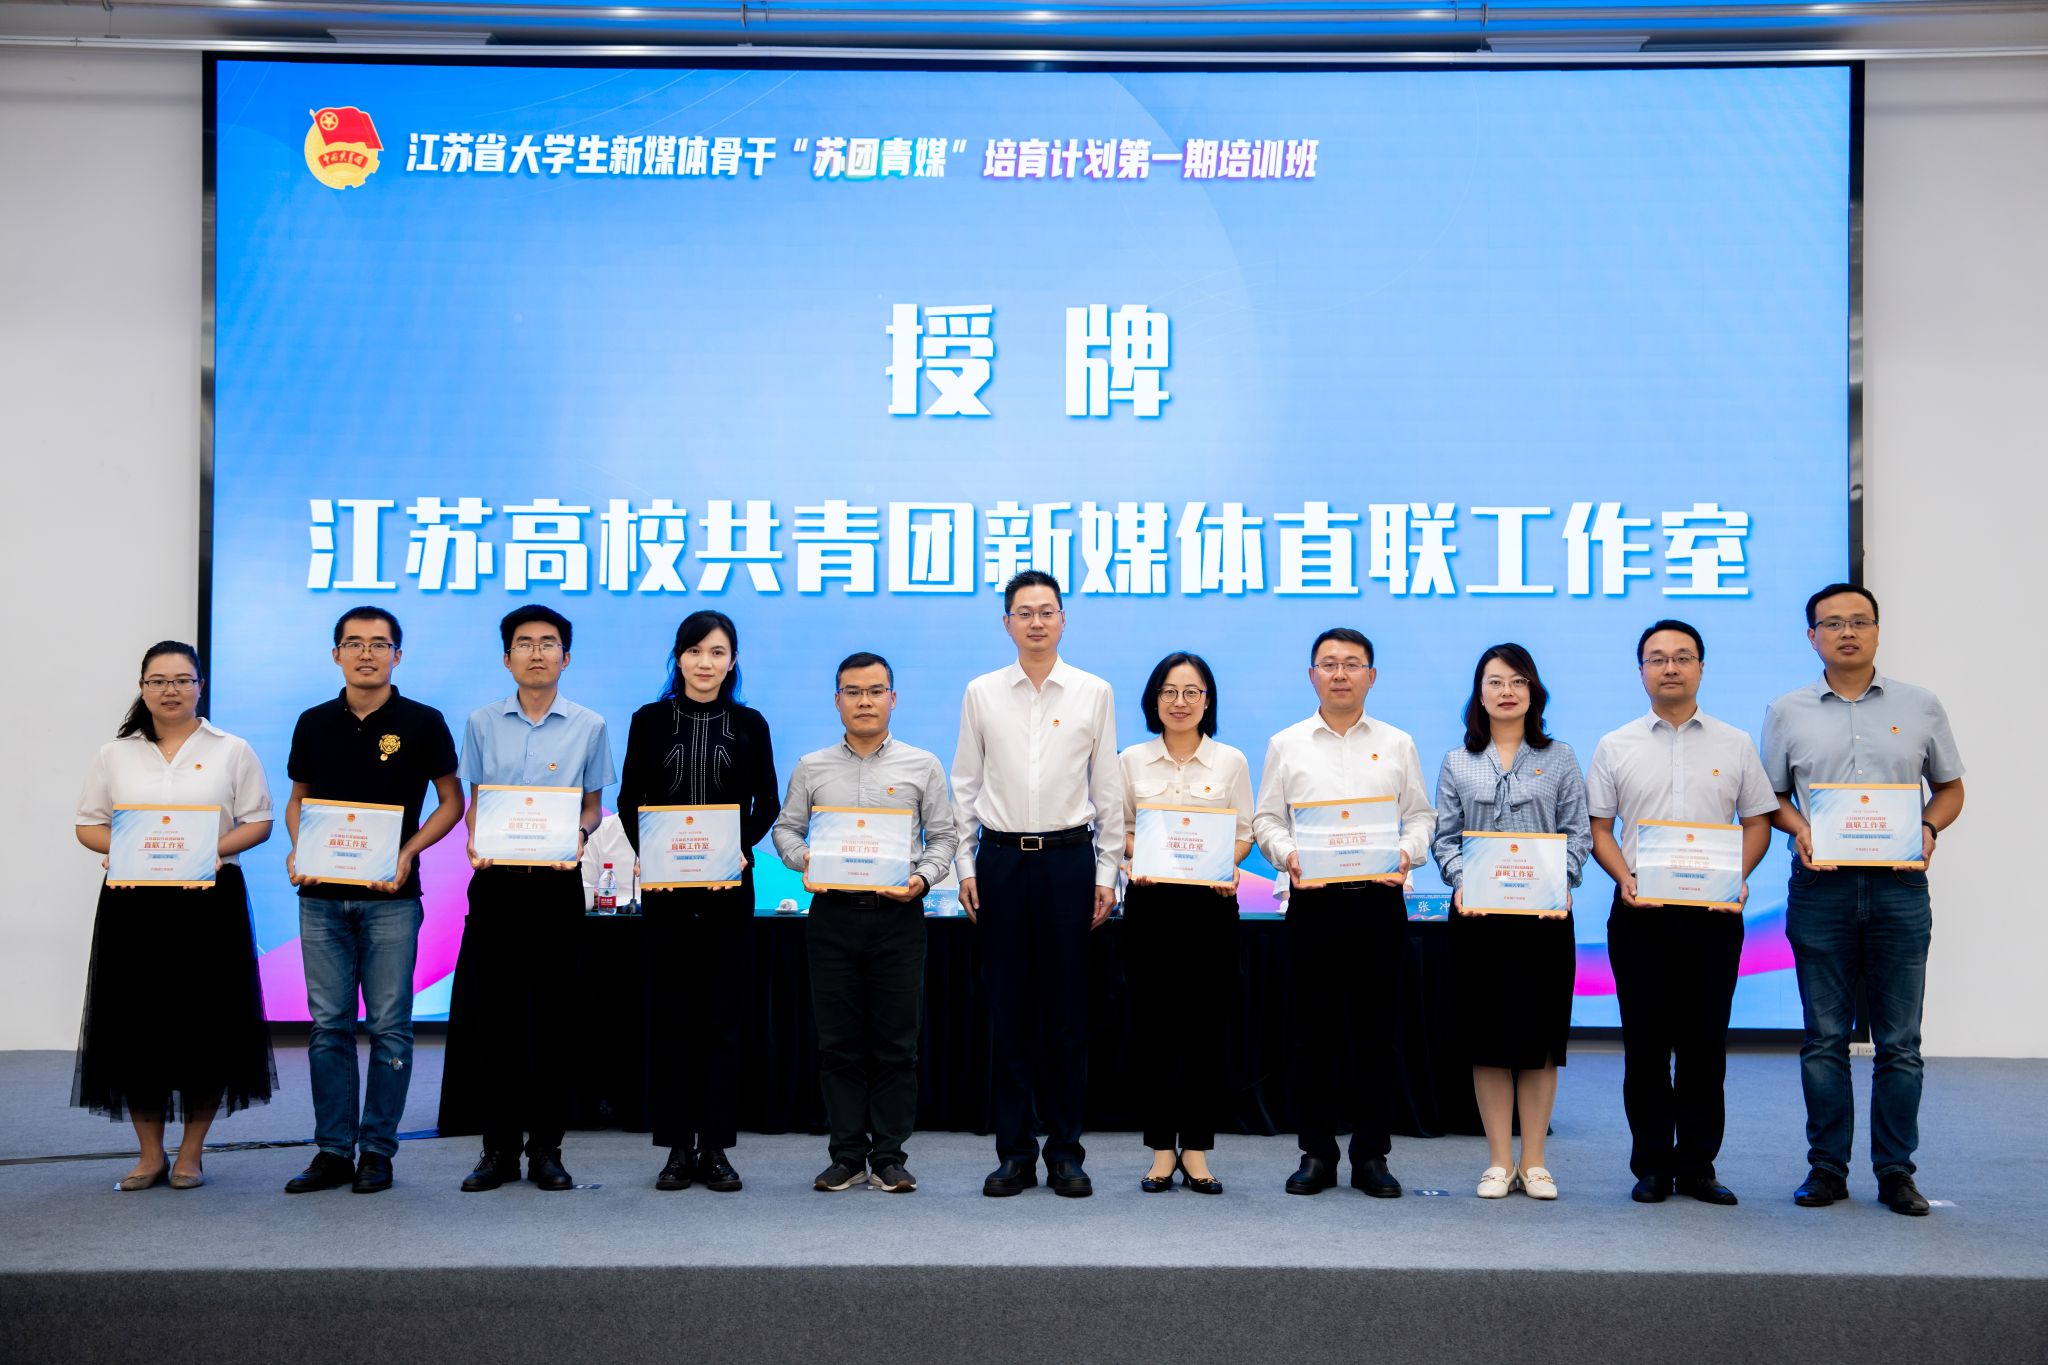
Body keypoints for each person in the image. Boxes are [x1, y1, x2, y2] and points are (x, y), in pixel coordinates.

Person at [1763, 583, 1964, 1216]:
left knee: (1899, 1041)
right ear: (1812, 636)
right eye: (1832, 623)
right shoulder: (1786, 711)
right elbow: (1770, 797)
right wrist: (1800, 830)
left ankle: (1896, 1172)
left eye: (1859, 621)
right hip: (1820, 888)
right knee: (1824, 1038)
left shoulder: (1920, 705)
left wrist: (1927, 828)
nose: (1846, 632)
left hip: (1898, 888)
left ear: (1877, 630)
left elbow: (1951, 789)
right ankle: (1826, 1168)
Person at [72, 640, 277, 1191]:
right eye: (158, 681)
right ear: (142, 688)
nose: (171, 690)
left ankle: (190, 1154)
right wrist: (121, 849)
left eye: (182, 680)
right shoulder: (115, 754)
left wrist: (210, 850)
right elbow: (88, 824)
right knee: (135, 1027)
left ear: (200, 686)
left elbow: (259, 822)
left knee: (206, 1027)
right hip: (134, 905)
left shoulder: (232, 749)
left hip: (209, 903)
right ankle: (149, 1155)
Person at [1587, 620, 1777, 1206]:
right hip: (1640, 914)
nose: (1670, 667)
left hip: (1713, 916)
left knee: (1704, 1045)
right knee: (1644, 1044)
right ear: (1641, 671)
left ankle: (1698, 1166)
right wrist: (1624, 878)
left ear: (1700, 667)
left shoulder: (1735, 743)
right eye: (1657, 658)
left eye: (1682, 657)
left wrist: (1736, 877)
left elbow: (1758, 822)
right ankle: (1651, 1166)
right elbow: (1599, 828)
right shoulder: (1615, 744)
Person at [281, 607, 463, 1196]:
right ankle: (333, 1150)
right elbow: (299, 799)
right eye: (354, 643)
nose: (366, 653)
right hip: (321, 898)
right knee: (328, 1027)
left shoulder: (423, 721)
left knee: (389, 1027)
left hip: (392, 897)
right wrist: (299, 848)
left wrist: (409, 851)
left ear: (397, 655)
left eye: (379, 644)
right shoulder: (313, 722)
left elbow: (452, 802)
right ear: (336, 653)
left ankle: (377, 1152)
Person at [953, 569, 1124, 1198]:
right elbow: (965, 786)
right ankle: (1015, 1153)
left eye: (1046, 611)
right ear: (1007, 623)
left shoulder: (1093, 692)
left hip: (1068, 861)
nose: (1035, 622)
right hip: (1001, 862)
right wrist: (965, 867)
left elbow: (1107, 789)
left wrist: (1107, 872)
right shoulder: (981, 692)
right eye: (1023, 612)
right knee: (1010, 1013)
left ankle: (1067, 1152)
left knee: (1067, 1016)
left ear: (1062, 620)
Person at [1253, 627, 1433, 1200]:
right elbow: (1265, 820)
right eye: (1328, 664)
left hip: (1378, 901)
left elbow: (1421, 817)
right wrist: (1289, 854)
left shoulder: (1398, 743)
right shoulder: (1286, 744)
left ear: (1371, 676)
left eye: (1351, 664)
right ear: (1312, 676)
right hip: (1314, 901)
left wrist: (1406, 852)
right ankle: (1316, 1152)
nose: (1339, 674)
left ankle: (1371, 1155)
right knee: (1312, 1032)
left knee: (1378, 1033)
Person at [771, 651, 956, 1194]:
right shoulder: (812, 766)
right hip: (833, 917)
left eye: (876, 691)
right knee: (839, 1044)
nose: (865, 701)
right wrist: (807, 860)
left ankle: (890, 1157)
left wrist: (921, 879)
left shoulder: (922, 765)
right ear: (837, 701)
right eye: (853, 692)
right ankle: (848, 1155)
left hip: (898, 917)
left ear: (892, 698)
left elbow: (944, 836)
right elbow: (785, 830)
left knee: (897, 1045)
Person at [452, 605, 613, 1193]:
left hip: (556, 885)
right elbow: (477, 802)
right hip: (496, 884)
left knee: (554, 1019)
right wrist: (476, 838)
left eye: (548, 643)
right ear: (507, 658)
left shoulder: (590, 725)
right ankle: (497, 1150)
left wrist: (580, 835)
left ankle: (547, 1149)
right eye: (524, 643)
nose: (536, 652)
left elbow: (591, 806)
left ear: (565, 658)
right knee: (494, 1019)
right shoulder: (480, 722)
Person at [618, 610, 779, 1193]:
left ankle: (714, 1148)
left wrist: (738, 850)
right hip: (666, 893)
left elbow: (767, 801)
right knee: (671, 1019)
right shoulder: (648, 720)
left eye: (717, 652)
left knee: (723, 1023)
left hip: (728, 891)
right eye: (695, 651)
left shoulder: (750, 723)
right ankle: (675, 1149)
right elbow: (629, 798)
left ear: (732, 661)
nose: (705, 662)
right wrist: (650, 852)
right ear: (679, 658)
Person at [1431, 643, 1590, 1202]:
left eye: (1518, 681)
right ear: (1480, 694)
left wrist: (1560, 881)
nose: (1506, 691)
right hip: (1479, 921)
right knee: (1489, 1043)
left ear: (1533, 692)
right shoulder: (1457, 760)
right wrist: (1463, 881)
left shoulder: (1560, 757)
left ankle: (1536, 1162)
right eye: (1495, 682)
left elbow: (1578, 833)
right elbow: (1444, 839)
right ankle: (1499, 1161)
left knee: (1540, 1043)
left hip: (1543, 921)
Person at [1119, 651, 1253, 1195]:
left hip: (1209, 909)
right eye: (1169, 691)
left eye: (1192, 692)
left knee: (1204, 1032)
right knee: (1153, 1032)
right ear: (1154, 699)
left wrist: (1225, 863)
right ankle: (1159, 1151)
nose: (1180, 702)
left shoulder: (1230, 761)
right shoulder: (1130, 761)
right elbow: (1119, 829)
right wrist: (1144, 855)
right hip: (1151, 907)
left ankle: (1195, 1150)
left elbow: (1243, 832)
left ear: (1207, 700)